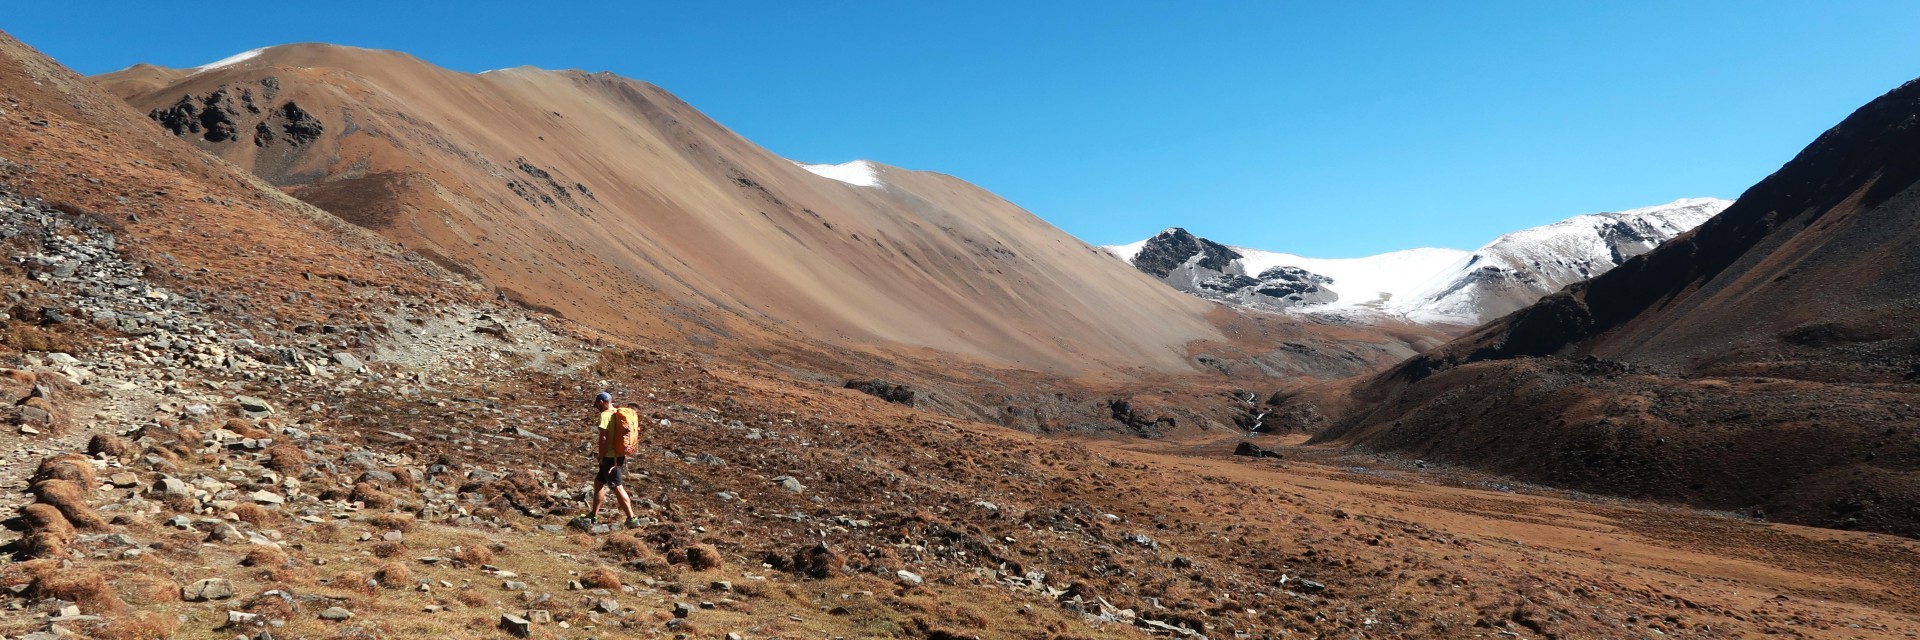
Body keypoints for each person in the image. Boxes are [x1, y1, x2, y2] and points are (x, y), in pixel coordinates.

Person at [587, 391, 643, 528]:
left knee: (617, 487)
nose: (597, 408)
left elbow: (603, 437)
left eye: (597, 405)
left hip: (610, 457)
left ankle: (632, 518)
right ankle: (593, 514)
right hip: (618, 455)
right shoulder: (617, 412)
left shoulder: (605, 415)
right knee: (599, 483)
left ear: (601, 402)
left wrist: (601, 455)